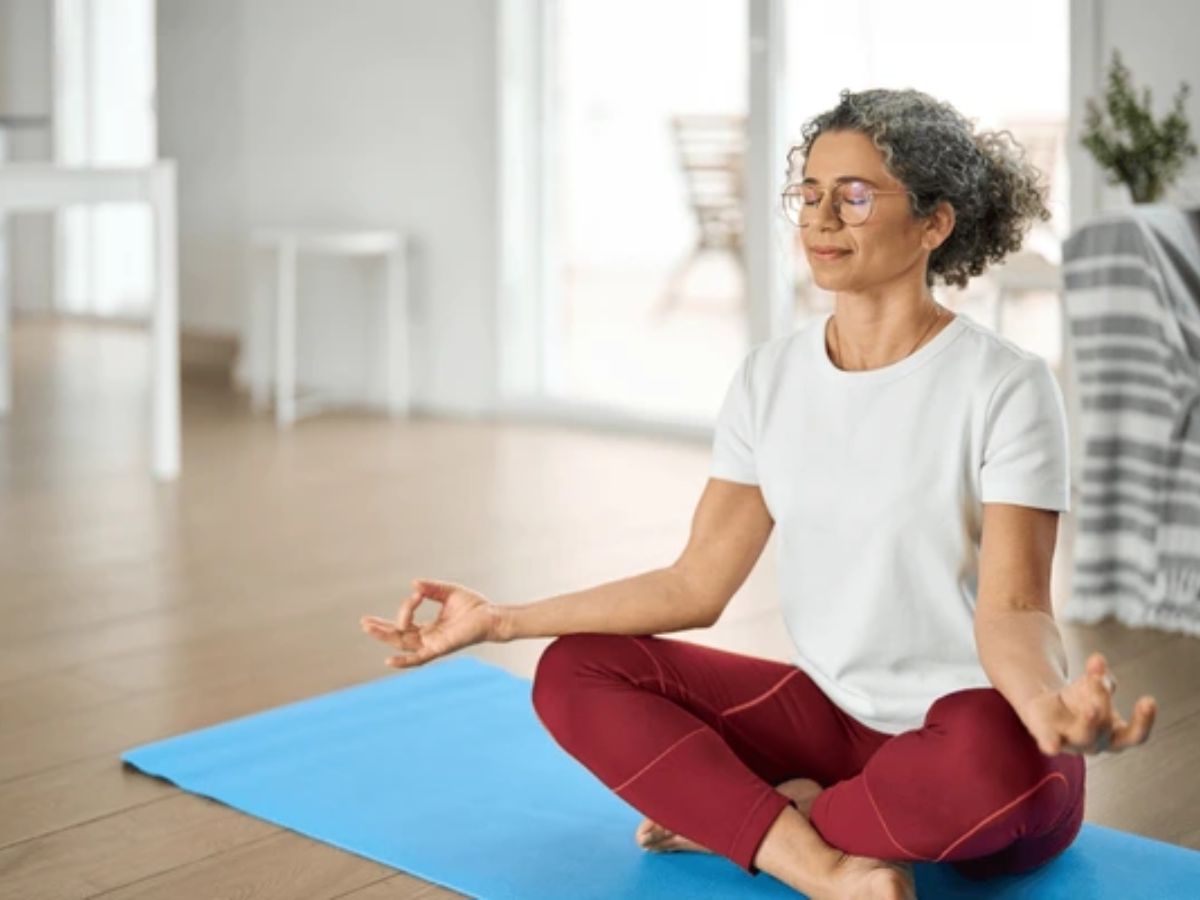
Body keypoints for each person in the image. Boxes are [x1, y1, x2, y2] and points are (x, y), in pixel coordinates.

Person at [360, 88, 1158, 900]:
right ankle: (818, 865)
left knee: (1002, 760)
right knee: (573, 672)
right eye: (808, 194)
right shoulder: (769, 379)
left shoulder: (1006, 385)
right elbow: (694, 584)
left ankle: (755, 822)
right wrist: (502, 620)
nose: (819, 220)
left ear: (934, 224)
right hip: (829, 719)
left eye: (853, 196)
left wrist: (1045, 703)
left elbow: (1016, 608)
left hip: (968, 734)